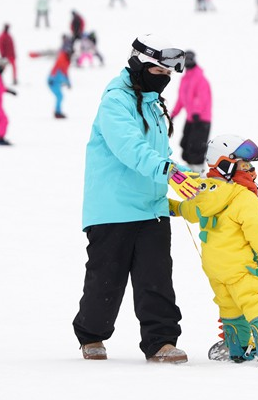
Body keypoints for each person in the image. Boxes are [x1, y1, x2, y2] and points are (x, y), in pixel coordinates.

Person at [73, 33, 195, 364]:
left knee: (157, 280)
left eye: (169, 77)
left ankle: (161, 342)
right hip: (113, 208)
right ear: (139, 66)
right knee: (105, 282)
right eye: (159, 74)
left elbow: (161, 153)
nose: (164, 82)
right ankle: (91, 334)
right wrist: (169, 172)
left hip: (151, 209)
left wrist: (192, 177)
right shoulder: (115, 102)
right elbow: (129, 147)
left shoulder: (153, 104)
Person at [171, 134, 258, 364]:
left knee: (230, 307)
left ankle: (237, 346)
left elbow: (187, 210)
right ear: (224, 164)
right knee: (256, 301)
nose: (250, 170)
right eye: (244, 164)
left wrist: (168, 206)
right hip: (243, 268)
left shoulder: (203, 193)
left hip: (215, 269)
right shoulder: (243, 198)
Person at [171, 50, 212, 173]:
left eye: (190, 59)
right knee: (185, 143)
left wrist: (196, 112)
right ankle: (189, 169)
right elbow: (181, 99)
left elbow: (201, 97)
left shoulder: (200, 78)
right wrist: (173, 113)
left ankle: (198, 170)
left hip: (201, 119)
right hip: (191, 118)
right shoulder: (185, 79)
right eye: (186, 60)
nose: (188, 62)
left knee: (197, 145)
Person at [48, 48, 71, 118]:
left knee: (60, 96)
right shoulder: (62, 59)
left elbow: (65, 73)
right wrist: (52, 78)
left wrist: (68, 82)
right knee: (60, 96)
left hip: (56, 82)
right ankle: (57, 112)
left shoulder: (66, 61)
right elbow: (57, 70)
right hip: (53, 81)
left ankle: (58, 111)